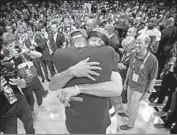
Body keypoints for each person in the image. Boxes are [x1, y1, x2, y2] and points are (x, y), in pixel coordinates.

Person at [49, 28, 122, 134]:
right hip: (73, 119)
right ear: (86, 40)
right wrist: (72, 71)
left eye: (101, 43)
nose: (96, 44)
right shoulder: (71, 57)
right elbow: (52, 86)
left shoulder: (107, 58)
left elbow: (116, 89)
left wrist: (79, 89)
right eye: (94, 40)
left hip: (100, 118)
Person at [119, 35, 158, 130]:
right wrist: (126, 82)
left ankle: (130, 124)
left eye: (140, 43)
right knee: (129, 102)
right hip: (131, 84)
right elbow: (130, 69)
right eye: (136, 42)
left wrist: (148, 92)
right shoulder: (134, 54)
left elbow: (153, 77)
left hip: (140, 88)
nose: (136, 45)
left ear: (147, 45)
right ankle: (127, 113)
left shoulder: (152, 59)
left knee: (134, 107)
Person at [0, 49, 35, 134]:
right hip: (4, 113)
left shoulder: (7, 66)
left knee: (29, 124)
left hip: (19, 101)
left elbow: (24, 84)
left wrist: (19, 82)